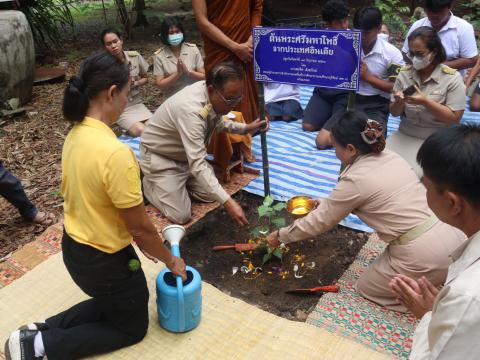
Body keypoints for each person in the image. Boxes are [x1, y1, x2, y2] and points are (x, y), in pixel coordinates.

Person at [3, 52, 187, 360]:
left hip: (74, 248)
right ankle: (42, 347)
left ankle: (39, 330)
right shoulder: (116, 154)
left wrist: (145, 244)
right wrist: (170, 260)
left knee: (121, 300)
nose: (127, 102)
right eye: (127, 94)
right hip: (103, 262)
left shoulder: (75, 134)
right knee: (132, 325)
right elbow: (140, 228)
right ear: (111, 93)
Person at [266, 111, 465, 312]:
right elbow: (374, 198)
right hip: (455, 237)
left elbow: (319, 222)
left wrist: (280, 236)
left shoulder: (354, 179)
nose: (335, 152)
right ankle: (439, 276)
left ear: (351, 149)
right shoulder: (391, 155)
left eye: (335, 147)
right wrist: (329, 203)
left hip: (425, 254)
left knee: (367, 288)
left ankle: (431, 304)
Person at [390, 124, 480, 359]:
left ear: (453, 203)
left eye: (426, 186)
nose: (424, 193)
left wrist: (430, 317)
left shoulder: (467, 296)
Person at [140, 61, 267, 225]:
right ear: (212, 90)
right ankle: (150, 184)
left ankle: (176, 185)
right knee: (181, 215)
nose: (233, 105)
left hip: (185, 158)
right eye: (230, 100)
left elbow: (217, 122)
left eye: (238, 98)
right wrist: (229, 203)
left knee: (210, 195)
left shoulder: (210, 95)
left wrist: (246, 128)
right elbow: (198, 163)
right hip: (162, 158)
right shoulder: (190, 110)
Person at [388, 26, 465, 177]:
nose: (414, 58)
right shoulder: (404, 74)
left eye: (420, 54)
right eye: (411, 53)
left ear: (434, 52)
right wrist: (398, 103)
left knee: (413, 176)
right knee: (378, 167)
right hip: (405, 133)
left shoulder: (451, 78)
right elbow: (394, 112)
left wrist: (426, 102)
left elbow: (455, 118)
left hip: (436, 139)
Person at [192, 0, 263, 125]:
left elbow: (256, 7)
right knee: (219, 89)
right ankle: (219, 131)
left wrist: (253, 35)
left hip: (245, 44)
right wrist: (234, 47)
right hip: (218, 46)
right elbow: (202, 22)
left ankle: (248, 126)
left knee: (244, 92)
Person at [302, 0, 350, 149]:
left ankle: (337, 119)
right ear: (327, 25)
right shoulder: (318, 40)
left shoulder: (353, 40)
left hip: (344, 95)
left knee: (322, 142)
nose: (344, 26)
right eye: (339, 23)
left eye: (345, 21)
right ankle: (331, 118)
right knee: (308, 126)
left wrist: (338, 51)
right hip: (322, 92)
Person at [353, 6, 405, 132]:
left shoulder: (392, 53)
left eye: (366, 33)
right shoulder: (348, 46)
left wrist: (368, 78)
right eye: (357, 31)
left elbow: (396, 87)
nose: (361, 37)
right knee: (332, 139)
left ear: (378, 29)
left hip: (378, 103)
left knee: (374, 138)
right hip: (350, 99)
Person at [402, 0, 478, 74]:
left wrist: (432, 66)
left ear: (450, 7)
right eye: (430, 11)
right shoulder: (418, 25)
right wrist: (420, 63)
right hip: (419, 75)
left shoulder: (463, 28)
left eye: (439, 11)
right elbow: (405, 53)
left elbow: (471, 60)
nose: (434, 15)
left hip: (450, 80)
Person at [101, 28, 152, 137]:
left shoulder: (135, 56)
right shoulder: (103, 66)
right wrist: (122, 86)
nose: (113, 46)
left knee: (153, 127)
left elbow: (146, 78)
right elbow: (103, 93)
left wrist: (136, 83)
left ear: (121, 40)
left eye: (115, 41)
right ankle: (122, 129)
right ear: (105, 47)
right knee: (140, 130)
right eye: (109, 44)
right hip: (120, 108)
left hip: (137, 104)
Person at [153, 17, 205, 100]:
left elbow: (204, 76)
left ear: (182, 32)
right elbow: (160, 85)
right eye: (171, 33)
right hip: (172, 98)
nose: (175, 35)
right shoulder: (159, 56)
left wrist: (188, 72)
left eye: (177, 32)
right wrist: (178, 73)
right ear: (165, 35)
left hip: (195, 95)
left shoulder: (193, 49)